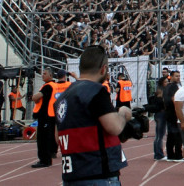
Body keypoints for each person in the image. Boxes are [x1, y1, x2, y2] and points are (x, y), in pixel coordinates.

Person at [54, 46, 134, 185]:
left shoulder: (63, 97)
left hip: (73, 173)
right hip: (98, 172)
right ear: (103, 69)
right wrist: (123, 113)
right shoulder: (96, 91)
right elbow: (114, 127)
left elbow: (57, 137)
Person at [31, 68, 59, 168]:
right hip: (51, 115)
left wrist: (36, 98)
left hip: (46, 115)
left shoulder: (47, 86)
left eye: (45, 73)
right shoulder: (55, 85)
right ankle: (47, 159)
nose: (42, 75)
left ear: (50, 76)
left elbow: (35, 97)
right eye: (42, 73)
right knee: (48, 137)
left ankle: (44, 160)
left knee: (42, 139)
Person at [163, 70, 184, 161]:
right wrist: (179, 110)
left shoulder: (167, 86)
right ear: (170, 77)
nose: (178, 77)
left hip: (168, 112)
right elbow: (174, 99)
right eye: (176, 76)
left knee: (171, 134)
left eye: (179, 76)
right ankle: (178, 155)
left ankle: (170, 155)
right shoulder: (174, 86)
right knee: (177, 134)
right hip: (174, 113)